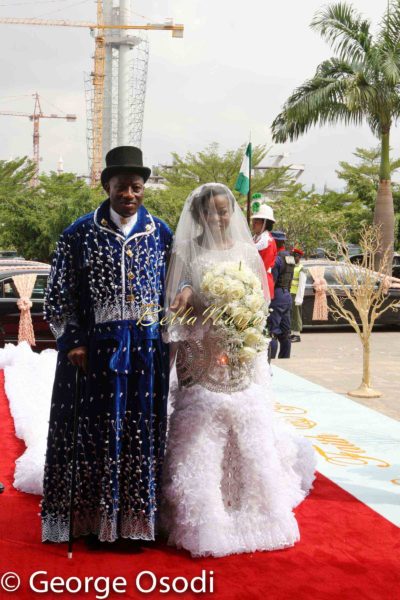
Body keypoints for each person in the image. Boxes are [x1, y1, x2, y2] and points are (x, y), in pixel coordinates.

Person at [160, 183, 316, 558]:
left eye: (223, 210)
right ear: (199, 215)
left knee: (248, 422)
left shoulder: (247, 250)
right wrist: (190, 299)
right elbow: (177, 296)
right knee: (201, 422)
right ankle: (202, 515)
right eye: (210, 211)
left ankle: (253, 510)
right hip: (201, 347)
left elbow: (259, 300)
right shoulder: (186, 248)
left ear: (233, 212)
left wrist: (242, 323)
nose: (218, 217)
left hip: (240, 350)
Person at [41, 146, 173, 544]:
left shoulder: (161, 233)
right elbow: (59, 294)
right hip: (93, 353)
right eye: (121, 187)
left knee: (140, 432)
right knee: (90, 433)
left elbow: (173, 290)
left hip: (146, 354)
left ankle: (135, 528)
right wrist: (73, 341)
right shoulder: (79, 233)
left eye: (136, 187)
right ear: (106, 187)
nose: (129, 195)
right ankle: (91, 525)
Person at [268, 231, 295, 359]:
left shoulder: (277, 258)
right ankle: (285, 360)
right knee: (285, 333)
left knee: (272, 331)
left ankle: (271, 361)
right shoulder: (290, 257)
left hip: (277, 297)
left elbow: (272, 282)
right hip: (287, 296)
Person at [250, 202, 277, 299]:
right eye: (253, 220)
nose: (253, 224)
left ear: (265, 223)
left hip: (261, 281)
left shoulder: (267, 242)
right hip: (254, 280)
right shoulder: (256, 238)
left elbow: (263, 265)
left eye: (257, 221)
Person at [290, 248, 307, 343]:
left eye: (295, 256)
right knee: (291, 315)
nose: (293, 258)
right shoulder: (292, 267)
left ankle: (297, 335)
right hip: (290, 294)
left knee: (296, 315)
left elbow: (302, 285)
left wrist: (299, 298)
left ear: (299, 257)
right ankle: (292, 333)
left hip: (296, 295)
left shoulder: (301, 269)